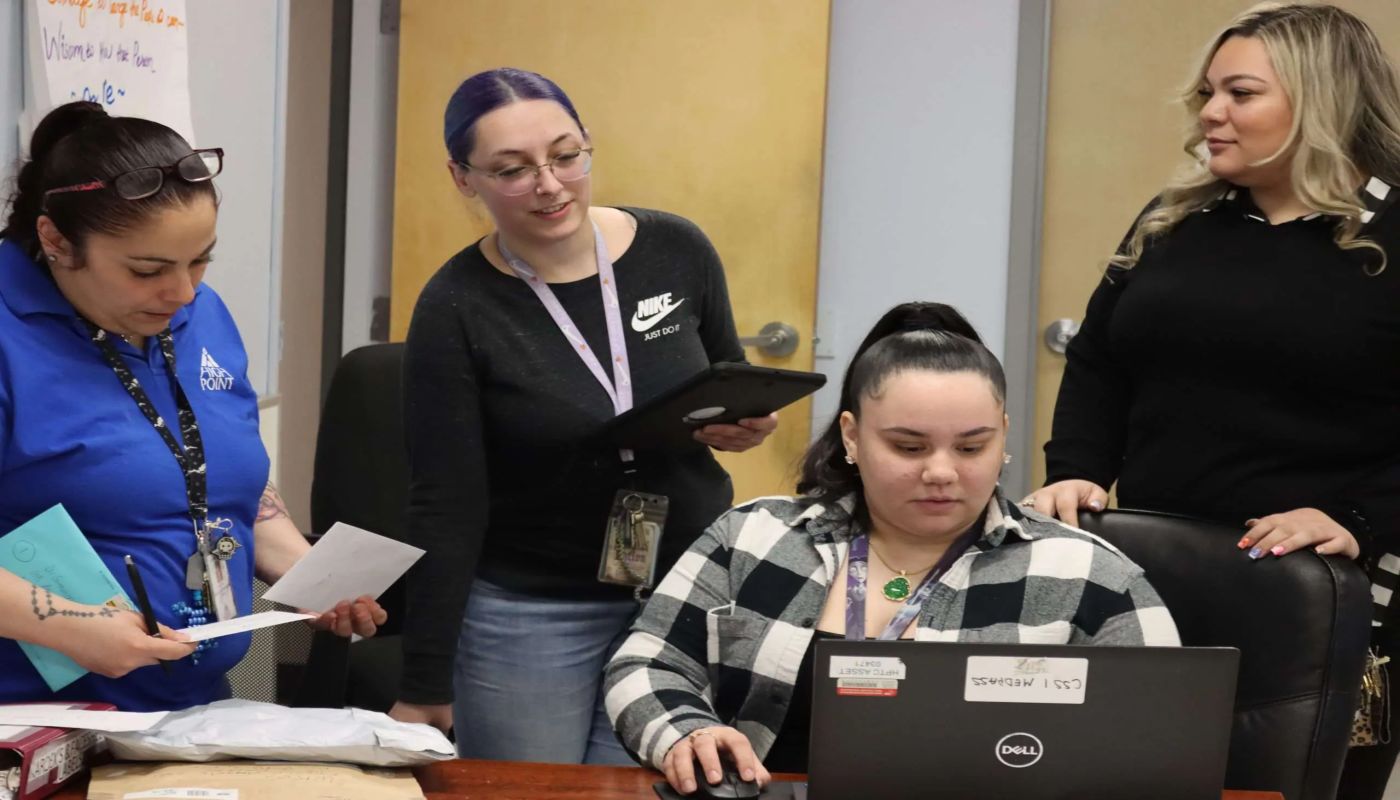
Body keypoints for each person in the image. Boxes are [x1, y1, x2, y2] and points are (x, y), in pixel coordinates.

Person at [1022, 4, 1400, 797]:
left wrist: (1360, 518)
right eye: (1207, 93)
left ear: (1321, 100)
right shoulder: (1177, 219)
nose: (1210, 114)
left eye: (1240, 94)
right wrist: (1076, 469)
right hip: (1156, 574)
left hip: (1332, 591)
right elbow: (1099, 361)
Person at [604, 302, 1180, 795]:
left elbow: (1164, 733)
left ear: (1003, 434)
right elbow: (648, 661)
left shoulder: (1088, 574)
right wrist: (687, 733)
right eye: (909, 447)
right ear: (852, 436)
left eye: (971, 448)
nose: (941, 472)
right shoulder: (753, 537)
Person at [387, 68, 777, 764]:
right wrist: (424, 680)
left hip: (681, 593)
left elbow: (724, 376)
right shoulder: (456, 307)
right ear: (463, 178)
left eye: (566, 156)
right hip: (532, 610)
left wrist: (741, 425)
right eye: (513, 170)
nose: (550, 184)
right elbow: (445, 502)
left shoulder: (676, 249)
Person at [0, 102, 385, 711]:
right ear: (56, 241)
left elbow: (217, 475)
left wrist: (310, 575)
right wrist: (68, 626)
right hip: (31, 717)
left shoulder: (197, 314)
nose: (183, 292)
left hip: (191, 709)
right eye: (147, 270)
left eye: (201, 259)